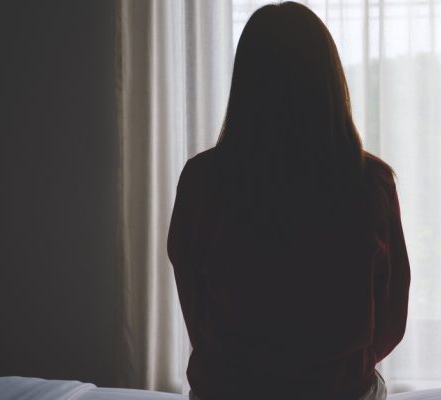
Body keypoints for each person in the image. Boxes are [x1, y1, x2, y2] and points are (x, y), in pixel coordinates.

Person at [166, 2, 411, 399]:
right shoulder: (370, 184)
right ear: (330, 82)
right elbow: (391, 319)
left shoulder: (201, 182)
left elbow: (195, 305)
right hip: (337, 391)